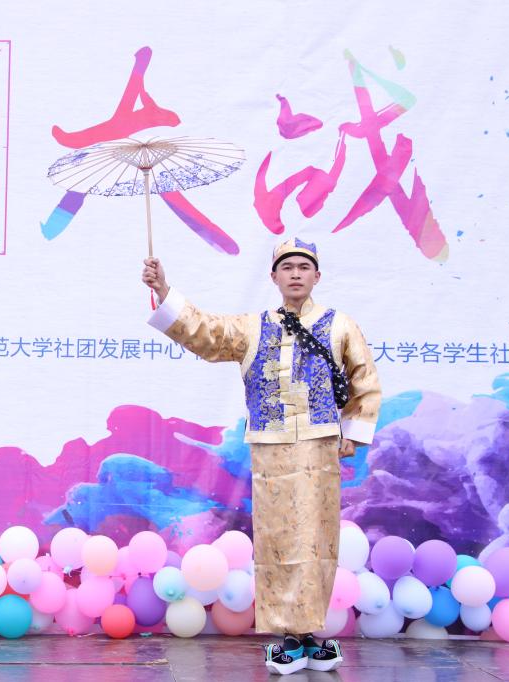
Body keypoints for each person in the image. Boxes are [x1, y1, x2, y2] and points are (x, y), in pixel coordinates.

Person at [142, 239, 381, 675]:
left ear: (317, 276)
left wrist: (353, 433)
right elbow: (206, 332)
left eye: (303, 267)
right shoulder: (253, 327)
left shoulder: (340, 325)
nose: (295, 273)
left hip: (319, 446)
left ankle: (310, 632)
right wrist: (164, 289)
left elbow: (364, 377)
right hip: (271, 449)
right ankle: (288, 634)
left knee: (317, 539)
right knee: (278, 539)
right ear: (274, 277)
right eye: (287, 267)